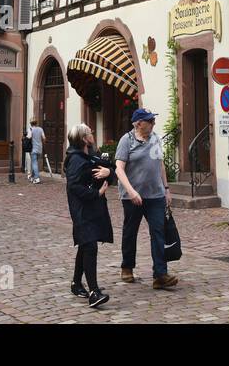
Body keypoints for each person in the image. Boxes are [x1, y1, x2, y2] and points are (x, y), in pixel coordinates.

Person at [115, 108, 177, 290]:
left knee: (158, 232)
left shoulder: (155, 138)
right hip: (132, 197)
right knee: (130, 231)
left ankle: (160, 275)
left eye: (153, 120)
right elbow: (119, 168)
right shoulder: (126, 140)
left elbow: (160, 164)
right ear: (138, 123)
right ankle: (127, 266)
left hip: (155, 195)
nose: (153, 123)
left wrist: (166, 189)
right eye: (150, 121)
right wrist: (131, 192)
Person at [64, 123, 114, 308]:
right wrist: (96, 193)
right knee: (90, 245)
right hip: (82, 209)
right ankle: (94, 292)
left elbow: (107, 170)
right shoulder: (77, 160)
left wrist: (109, 172)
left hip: (93, 208)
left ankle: (76, 283)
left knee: (85, 245)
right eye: (90, 133)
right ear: (84, 138)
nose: (93, 134)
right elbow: (74, 186)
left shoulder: (91, 154)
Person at [27, 118, 46, 184]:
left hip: (33, 148)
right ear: (36, 123)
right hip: (39, 148)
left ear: (31, 124)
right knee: (34, 162)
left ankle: (37, 178)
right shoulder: (40, 129)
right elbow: (44, 138)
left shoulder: (30, 129)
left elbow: (29, 137)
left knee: (34, 163)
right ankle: (32, 177)